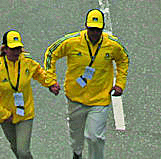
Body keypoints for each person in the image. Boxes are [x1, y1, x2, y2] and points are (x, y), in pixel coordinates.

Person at [42, 8, 129, 159]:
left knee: (95, 137)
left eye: (98, 30)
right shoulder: (72, 41)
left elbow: (123, 59)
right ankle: (77, 153)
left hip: (100, 99)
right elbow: (51, 53)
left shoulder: (112, 45)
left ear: (102, 29)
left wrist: (120, 83)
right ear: (86, 27)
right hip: (75, 98)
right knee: (76, 134)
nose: (94, 33)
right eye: (91, 29)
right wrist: (50, 81)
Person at [0, 29, 57, 159]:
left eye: (19, 49)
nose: (17, 52)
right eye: (13, 49)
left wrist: (50, 84)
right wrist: (3, 114)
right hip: (7, 117)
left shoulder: (26, 61)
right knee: (15, 147)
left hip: (25, 113)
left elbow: (38, 73)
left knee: (23, 151)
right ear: (5, 49)